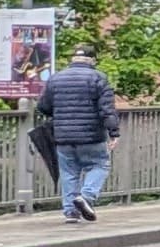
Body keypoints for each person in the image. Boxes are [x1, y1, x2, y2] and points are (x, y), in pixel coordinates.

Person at [34, 48, 123, 222]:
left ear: (73, 59)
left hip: (63, 135)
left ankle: (70, 212)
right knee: (100, 165)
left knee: (69, 172)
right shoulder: (98, 78)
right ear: (92, 60)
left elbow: (43, 106)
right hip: (91, 136)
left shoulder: (55, 78)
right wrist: (114, 132)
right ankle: (86, 197)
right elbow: (107, 110)